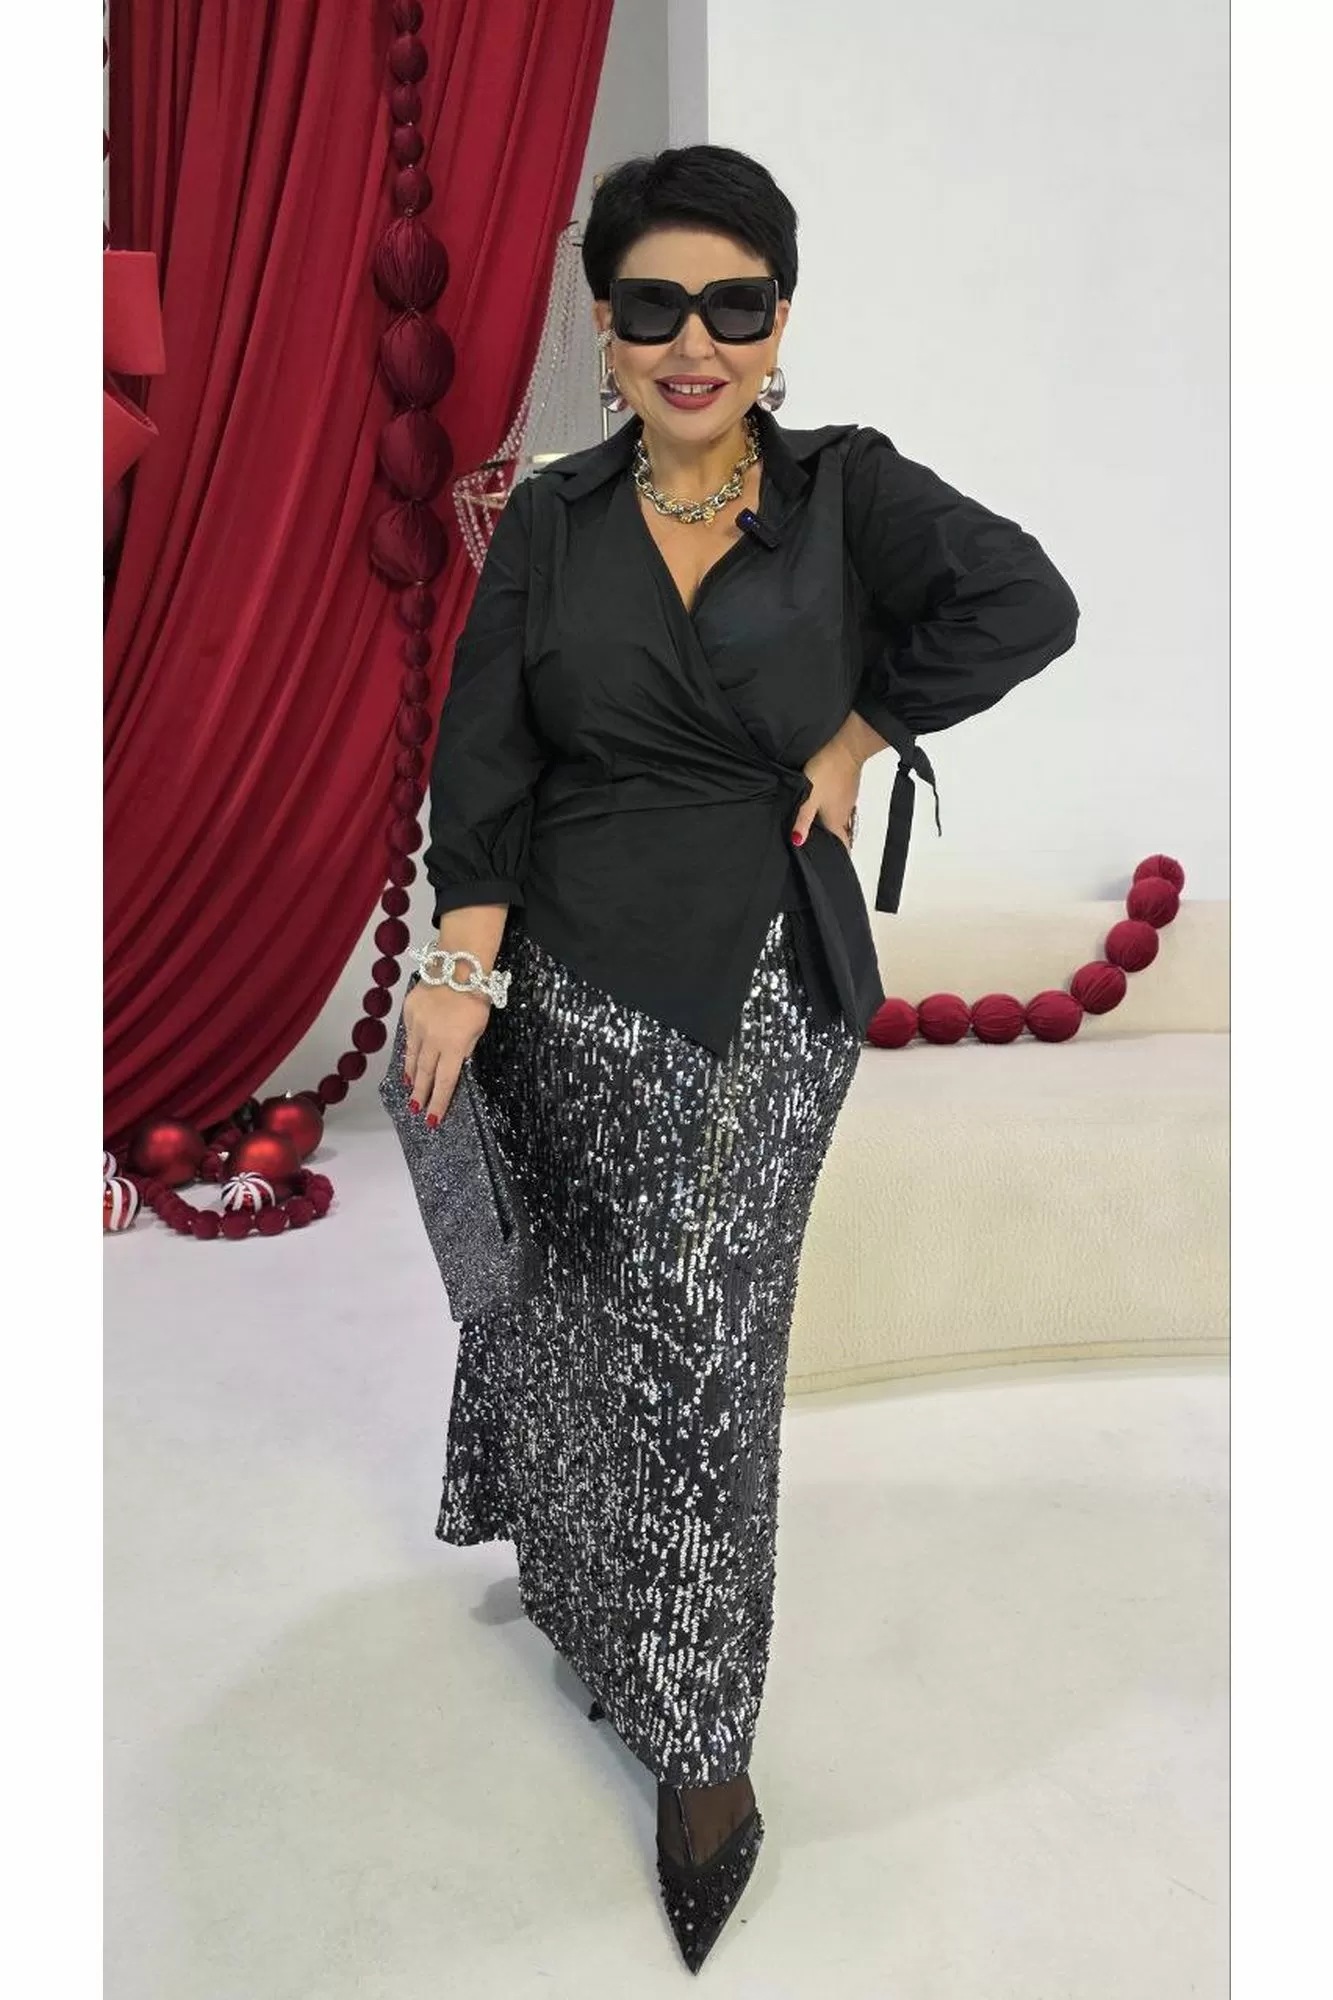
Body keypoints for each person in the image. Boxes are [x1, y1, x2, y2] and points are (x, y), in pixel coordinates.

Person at [397, 144, 1079, 1975]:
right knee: (572, 1303)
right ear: (605, 326)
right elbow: (487, 757)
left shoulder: (851, 493)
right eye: (654, 306)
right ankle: (585, 1594)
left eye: (734, 305)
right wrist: (461, 962)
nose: (693, 342)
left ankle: (703, 1749)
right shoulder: (551, 520)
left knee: (703, 1345)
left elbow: (1026, 602)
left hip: (761, 982)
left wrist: (859, 731)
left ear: (781, 323)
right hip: (566, 979)